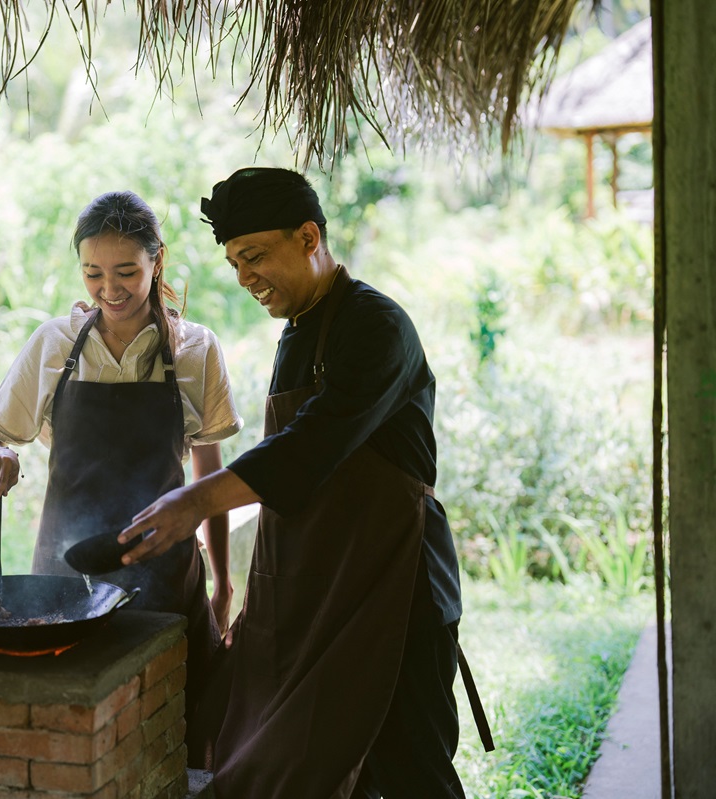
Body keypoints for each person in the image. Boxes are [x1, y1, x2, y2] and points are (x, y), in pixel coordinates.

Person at [120, 167, 487, 798]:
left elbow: (308, 449)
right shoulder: (296, 335)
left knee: (410, 768)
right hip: (320, 588)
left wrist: (197, 499)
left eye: (256, 256)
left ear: (310, 237)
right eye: (235, 263)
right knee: (312, 766)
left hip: (397, 590)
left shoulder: (377, 327)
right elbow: (287, 487)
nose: (244, 278)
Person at [0, 190, 243, 762]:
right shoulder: (55, 343)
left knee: (180, 730)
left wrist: (222, 583)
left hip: (168, 573)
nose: (109, 289)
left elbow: (208, 477)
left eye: (127, 271)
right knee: (72, 736)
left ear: (156, 261)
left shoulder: (194, 350)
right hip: (65, 578)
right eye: (93, 273)